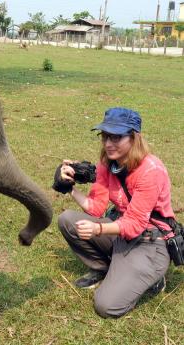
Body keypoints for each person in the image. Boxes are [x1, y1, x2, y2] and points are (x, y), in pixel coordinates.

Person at [56, 107, 176, 318]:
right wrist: (70, 188)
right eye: (105, 136)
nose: (108, 143)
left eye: (117, 137)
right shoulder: (108, 165)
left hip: (150, 242)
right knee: (67, 219)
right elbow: (96, 207)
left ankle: (154, 277)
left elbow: (135, 224)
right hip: (121, 233)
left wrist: (98, 228)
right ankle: (104, 267)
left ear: (134, 137)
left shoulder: (151, 171)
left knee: (106, 306)